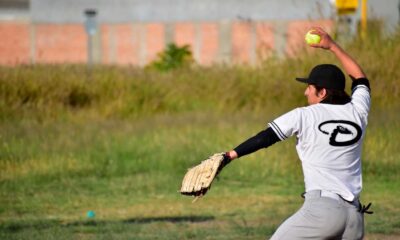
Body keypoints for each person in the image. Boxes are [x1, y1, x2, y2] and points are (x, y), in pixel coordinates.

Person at [221, 27, 372, 239]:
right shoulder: (358, 111)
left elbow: (265, 138)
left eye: (309, 87)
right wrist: (332, 46)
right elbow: (360, 79)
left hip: (323, 211)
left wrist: (229, 156)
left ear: (322, 91)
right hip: (354, 218)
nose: (305, 91)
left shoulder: (305, 115)